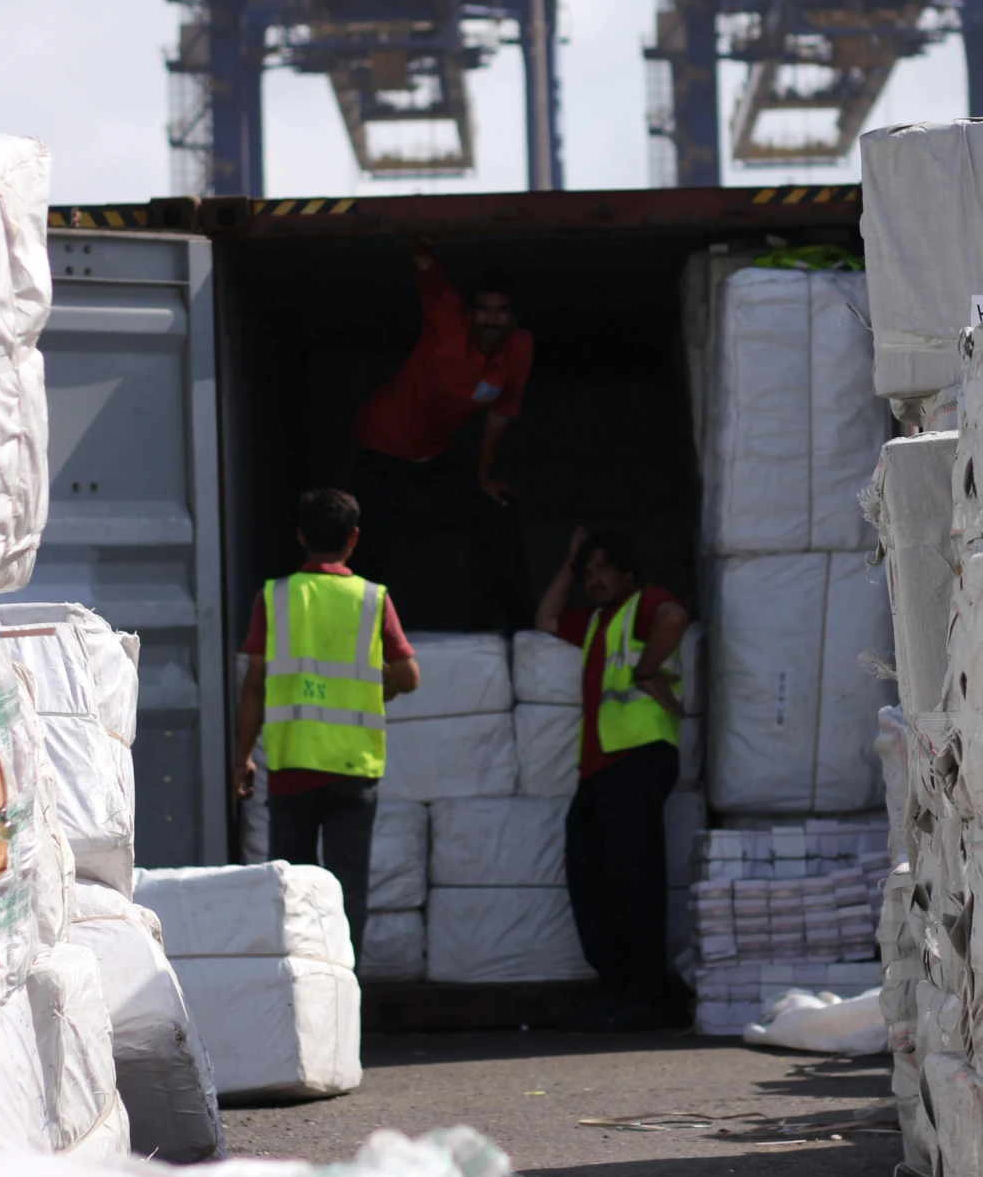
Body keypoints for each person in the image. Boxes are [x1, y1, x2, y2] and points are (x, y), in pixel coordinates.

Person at [233, 486, 420, 960]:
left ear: (300, 536)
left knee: (295, 890)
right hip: (354, 770)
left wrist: (242, 758)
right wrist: (375, 686)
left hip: (293, 768)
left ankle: (301, 984)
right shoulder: (373, 599)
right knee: (347, 887)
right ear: (353, 539)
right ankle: (345, 984)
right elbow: (408, 677)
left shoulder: (274, 598)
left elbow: (254, 685)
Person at [535, 525, 690, 1029]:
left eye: (604, 567)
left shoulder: (644, 603)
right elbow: (547, 618)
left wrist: (646, 672)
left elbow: (674, 617)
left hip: (638, 758)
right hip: (602, 765)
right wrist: (569, 560)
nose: (594, 578)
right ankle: (620, 985)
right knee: (591, 873)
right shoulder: (598, 621)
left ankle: (645, 994)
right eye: (588, 572)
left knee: (633, 879)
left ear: (627, 570)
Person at [350, 237, 534, 631]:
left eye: (501, 312)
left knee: (494, 515)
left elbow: (500, 414)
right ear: (470, 313)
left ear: (514, 318)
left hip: (432, 453)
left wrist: (483, 477)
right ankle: (359, 637)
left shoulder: (519, 348)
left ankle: (522, 629)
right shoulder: (447, 318)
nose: (491, 319)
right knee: (370, 543)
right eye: (483, 310)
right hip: (381, 443)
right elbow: (425, 264)